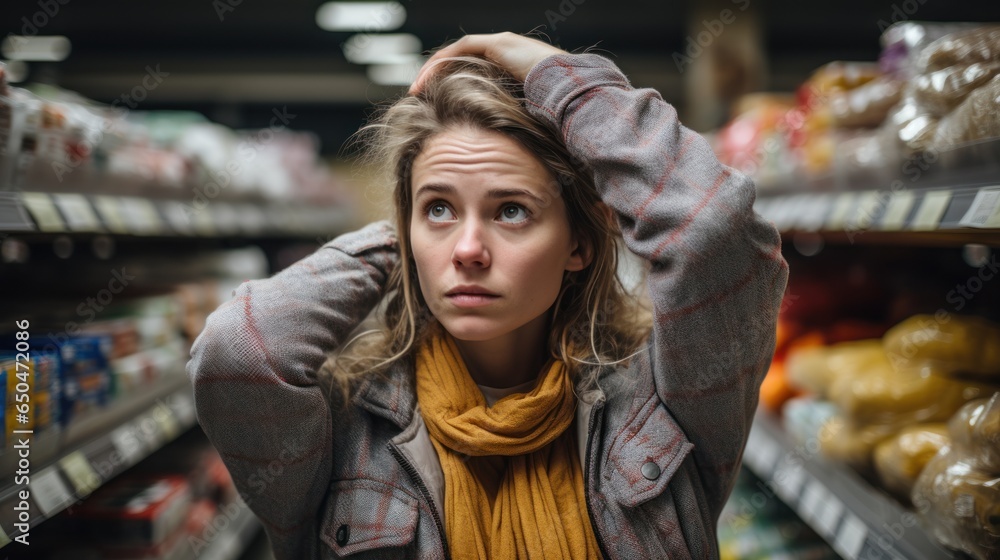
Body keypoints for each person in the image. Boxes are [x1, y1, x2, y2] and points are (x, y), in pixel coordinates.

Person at [187, 32, 788, 560]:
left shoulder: (661, 401)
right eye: (439, 208)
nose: (469, 249)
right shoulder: (344, 427)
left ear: (579, 242)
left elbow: (716, 236)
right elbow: (236, 356)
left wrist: (564, 77)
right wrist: (402, 245)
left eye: (512, 211)